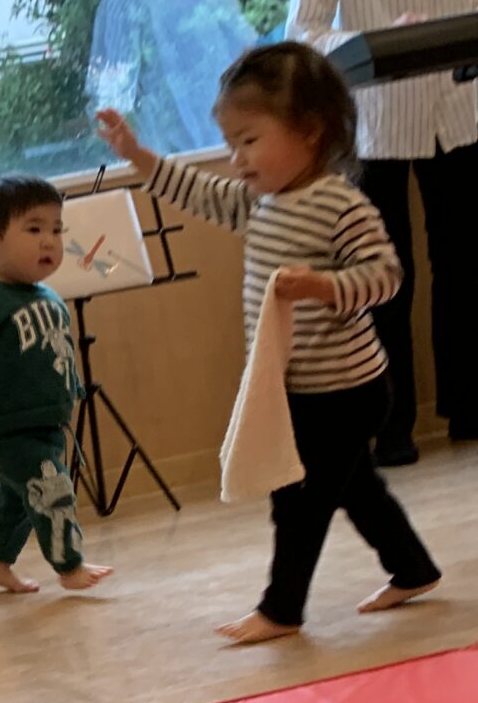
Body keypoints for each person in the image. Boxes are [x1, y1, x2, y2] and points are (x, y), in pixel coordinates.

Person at [99, 41, 441, 644]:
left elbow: (386, 275)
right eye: (230, 143)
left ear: (310, 131)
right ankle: (413, 569)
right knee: (356, 486)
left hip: (346, 389)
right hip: (302, 388)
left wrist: (324, 286)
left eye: (249, 140)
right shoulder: (260, 202)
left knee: (299, 499)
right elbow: (197, 192)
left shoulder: (340, 203)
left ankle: (282, 609)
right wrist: (137, 155)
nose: (237, 159)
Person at [289, 0, 478, 463]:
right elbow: (303, 31)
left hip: (468, 113)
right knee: (383, 277)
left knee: (468, 267)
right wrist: (373, 37)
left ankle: (469, 407)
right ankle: (390, 427)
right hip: (375, 127)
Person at [0, 175, 113, 598]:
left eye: (56, 229)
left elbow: (55, 356)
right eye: (34, 229)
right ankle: (69, 565)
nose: (49, 241)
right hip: (5, 430)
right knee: (52, 489)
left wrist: (71, 392)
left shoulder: (49, 298)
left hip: (45, 425)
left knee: (17, 499)